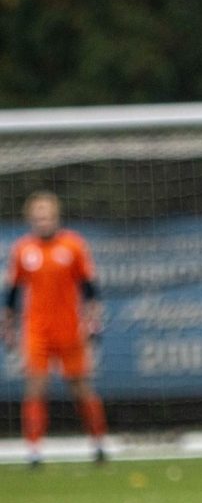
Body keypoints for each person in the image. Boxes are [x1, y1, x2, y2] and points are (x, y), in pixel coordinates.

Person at [3, 190, 108, 466]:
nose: (43, 219)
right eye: (38, 214)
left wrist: (93, 320)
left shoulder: (73, 246)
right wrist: (8, 325)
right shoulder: (22, 250)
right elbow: (12, 292)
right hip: (37, 330)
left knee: (80, 387)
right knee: (35, 386)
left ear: (56, 216)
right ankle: (34, 451)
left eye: (47, 214)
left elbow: (89, 288)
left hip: (70, 329)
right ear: (30, 218)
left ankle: (98, 443)